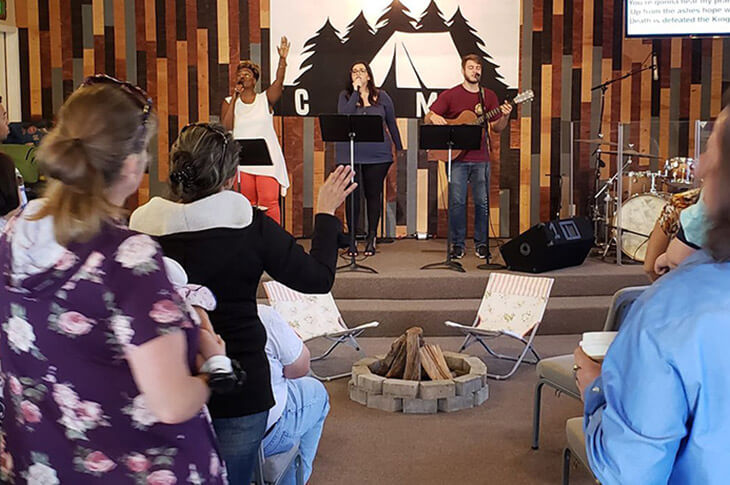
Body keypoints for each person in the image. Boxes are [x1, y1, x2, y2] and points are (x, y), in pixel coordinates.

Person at [0, 76, 227, 483]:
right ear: (131, 165)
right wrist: (213, 364)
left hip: (43, 467)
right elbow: (172, 403)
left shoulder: (7, 235)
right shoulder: (127, 255)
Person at [129, 123, 355, 484]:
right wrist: (326, 214)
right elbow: (317, 279)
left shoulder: (140, 231)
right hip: (238, 389)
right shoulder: (251, 226)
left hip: (163, 382)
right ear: (233, 177)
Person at [573, 105, 730, 484]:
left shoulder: (671, 314)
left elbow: (631, 473)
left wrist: (596, 389)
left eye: (711, 148)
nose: (698, 166)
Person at [425, 54, 512, 260]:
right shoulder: (451, 95)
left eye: (478, 67)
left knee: (482, 202)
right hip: (457, 159)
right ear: (463, 70)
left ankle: (482, 244)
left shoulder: (488, 96)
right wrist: (434, 116)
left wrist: (506, 115)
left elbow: (497, 128)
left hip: (481, 157)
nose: (475, 71)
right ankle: (457, 244)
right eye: (471, 67)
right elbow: (429, 116)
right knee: (457, 202)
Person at [221, 37, 291, 224]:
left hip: (266, 161)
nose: (243, 77)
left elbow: (279, 82)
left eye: (247, 75)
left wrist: (282, 61)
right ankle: (251, 241)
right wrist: (235, 98)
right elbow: (227, 128)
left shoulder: (264, 99)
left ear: (255, 80)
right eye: (240, 74)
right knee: (247, 203)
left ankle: (273, 243)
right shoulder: (229, 102)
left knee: (269, 202)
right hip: (243, 162)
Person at [336, 61, 403, 256]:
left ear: (369, 76)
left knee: (373, 195)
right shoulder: (346, 96)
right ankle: (352, 240)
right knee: (352, 197)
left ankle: (371, 237)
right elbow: (344, 115)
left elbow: (391, 122)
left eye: (362, 70)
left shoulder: (382, 97)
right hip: (351, 154)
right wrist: (356, 92)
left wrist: (398, 148)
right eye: (354, 70)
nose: (358, 73)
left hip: (378, 155)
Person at [258, 305, 329, 485]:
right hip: (263, 436)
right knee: (318, 394)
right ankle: (295, 479)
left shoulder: (181, 321)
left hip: (198, 439)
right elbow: (300, 368)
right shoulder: (263, 317)